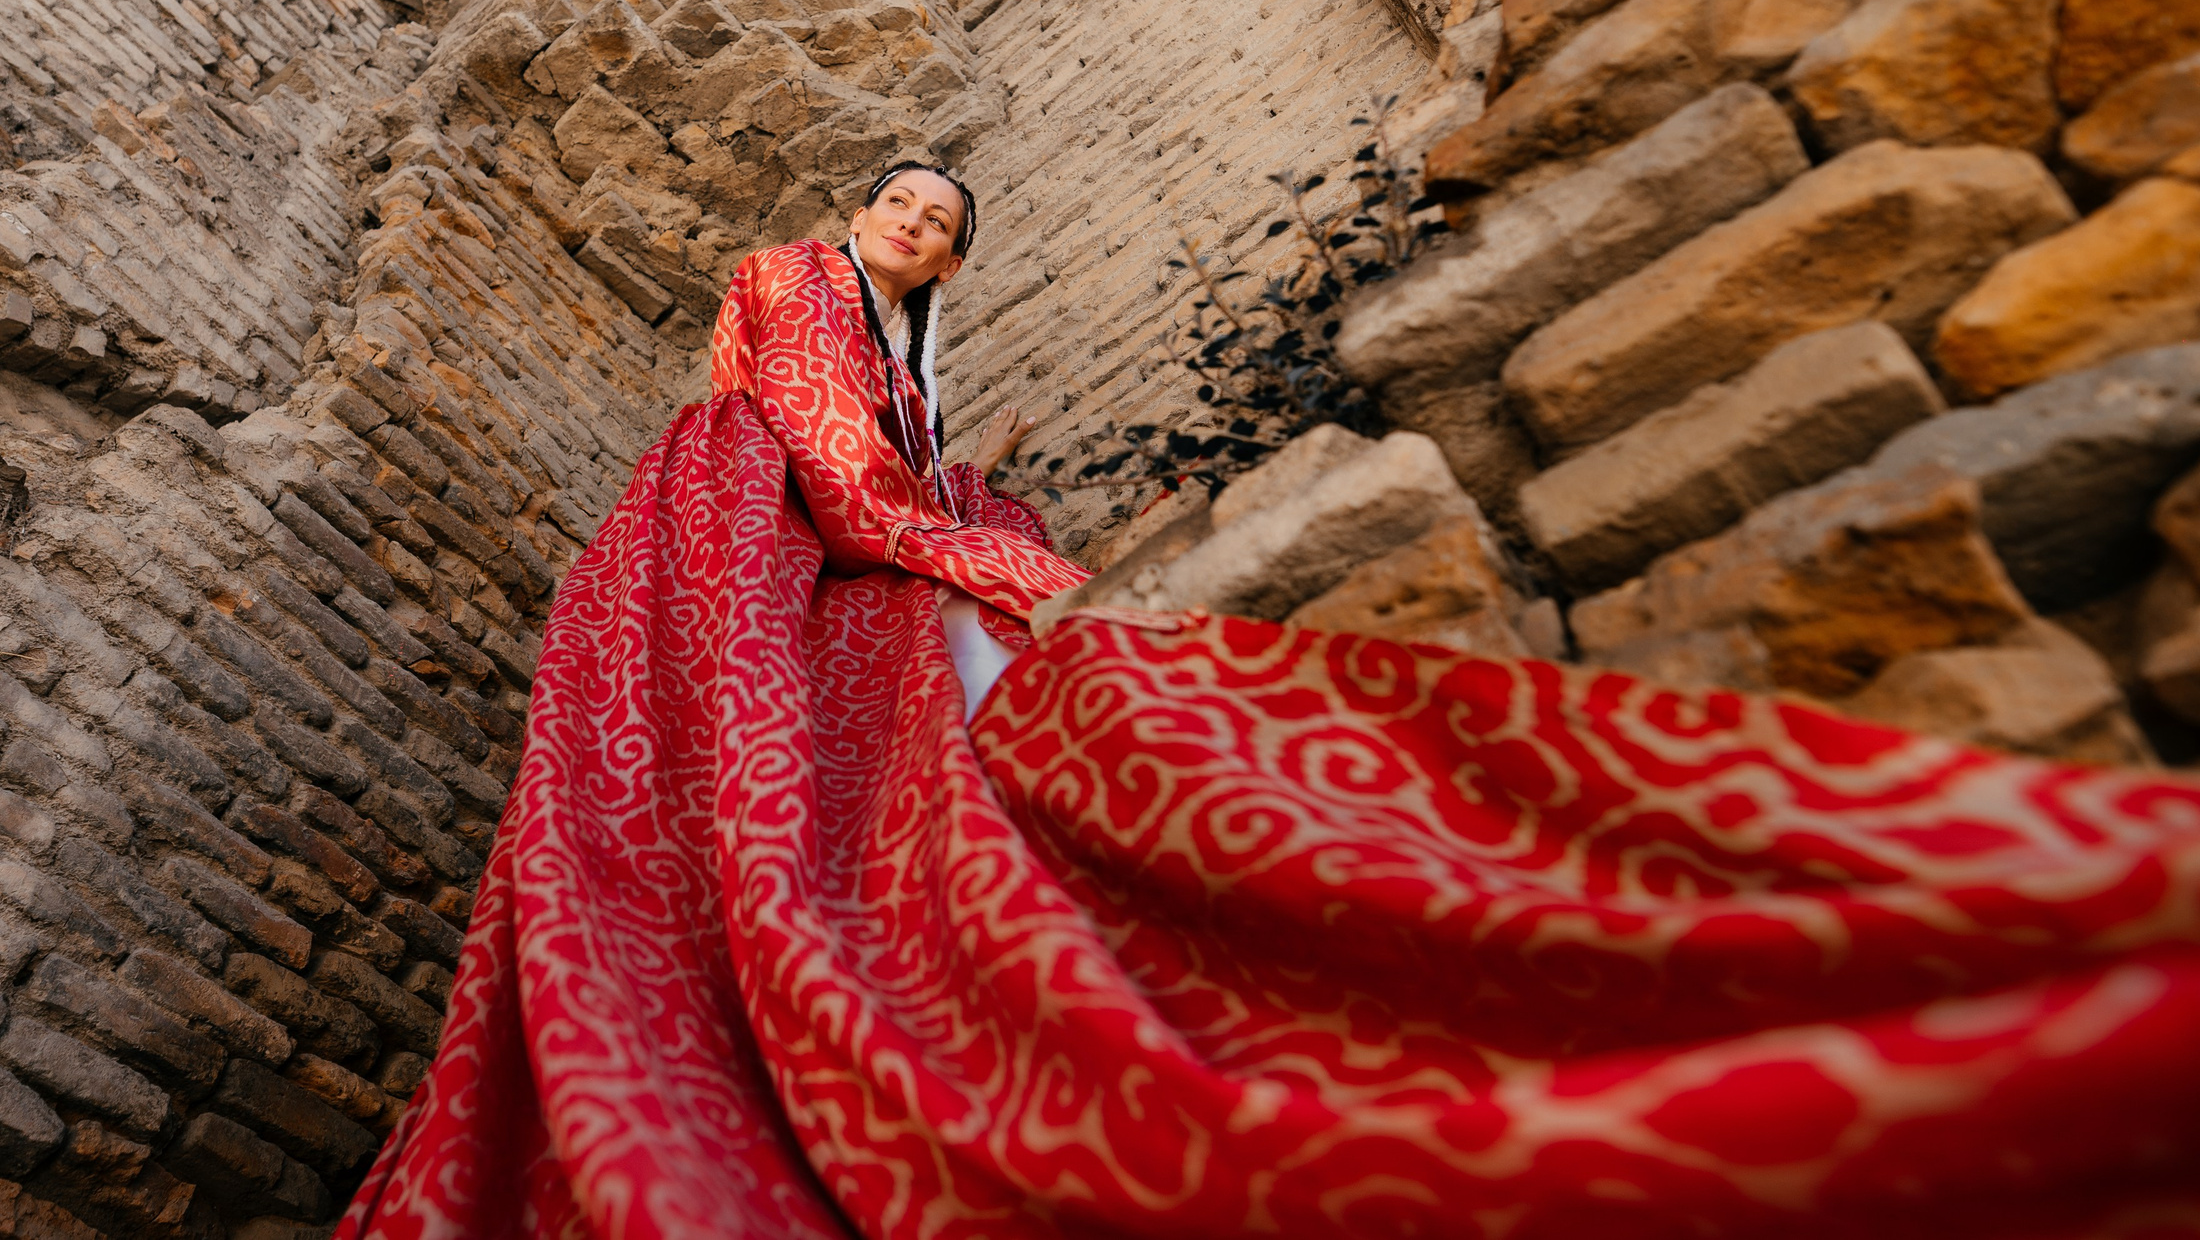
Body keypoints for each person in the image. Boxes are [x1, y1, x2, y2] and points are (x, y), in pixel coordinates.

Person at [338, 164, 2200, 1240]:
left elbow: (889, 465)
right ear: (853, 214)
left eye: (938, 215)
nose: (910, 220)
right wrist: (1005, 561)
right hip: (751, 542)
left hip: (847, 546)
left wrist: (960, 501)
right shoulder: (798, 287)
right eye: (897, 194)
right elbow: (832, 466)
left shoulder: (909, 342)